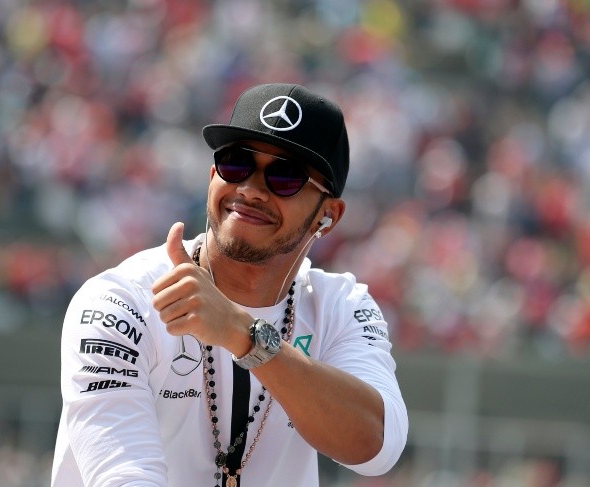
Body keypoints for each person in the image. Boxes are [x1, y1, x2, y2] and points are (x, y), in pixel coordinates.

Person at [51, 83, 408, 487]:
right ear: (212, 176)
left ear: (328, 215)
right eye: (236, 163)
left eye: (286, 176)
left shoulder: (341, 306)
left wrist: (244, 334)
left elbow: (377, 447)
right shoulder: (121, 301)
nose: (251, 189)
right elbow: (124, 477)